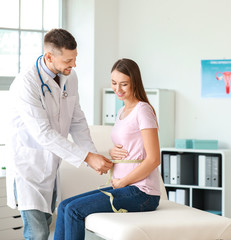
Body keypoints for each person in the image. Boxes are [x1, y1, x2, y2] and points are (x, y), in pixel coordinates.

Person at [6, 28, 116, 240]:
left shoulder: (69, 77)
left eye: (74, 59)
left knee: (47, 227)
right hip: (28, 168)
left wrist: (91, 155)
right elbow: (43, 134)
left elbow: (77, 120)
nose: (73, 65)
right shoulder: (26, 83)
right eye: (68, 60)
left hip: (51, 166)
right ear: (49, 56)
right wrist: (86, 157)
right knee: (37, 234)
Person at [54, 58, 161, 239]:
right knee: (64, 206)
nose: (118, 89)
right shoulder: (121, 111)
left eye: (124, 84)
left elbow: (154, 159)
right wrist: (113, 152)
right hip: (123, 187)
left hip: (142, 192)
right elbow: (131, 145)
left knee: (74, 210)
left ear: (135, 82)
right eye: (113, 83)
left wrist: (123, 181)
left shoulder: (143, 110)